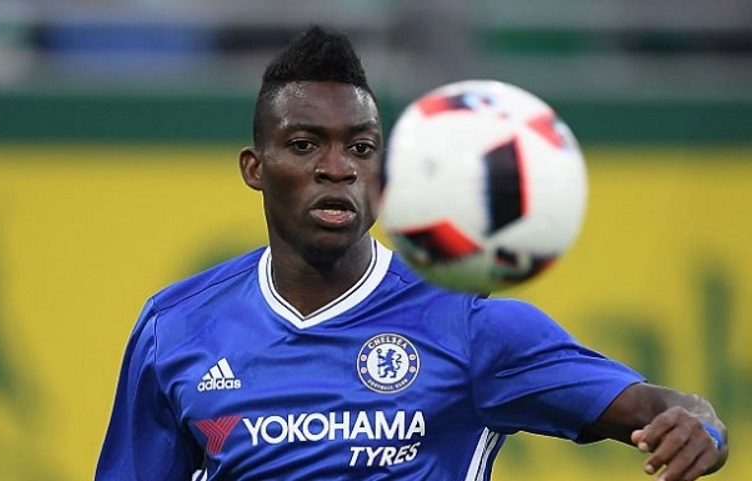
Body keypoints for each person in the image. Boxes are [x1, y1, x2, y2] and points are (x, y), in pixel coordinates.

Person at [96, 25, 729, 481]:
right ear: (255, 167)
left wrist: (700, 427)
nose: (338, 168)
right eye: (306, 145)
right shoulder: (175, 328)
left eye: (362, 148)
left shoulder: (471, 326)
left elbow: (663, 407)